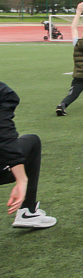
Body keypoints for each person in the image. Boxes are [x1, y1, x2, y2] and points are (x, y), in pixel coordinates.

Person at [2, 81, 56, 229]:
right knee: (32, 142)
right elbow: (5, 137)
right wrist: (21, 179)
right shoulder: (3, 92)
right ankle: (28, 211)